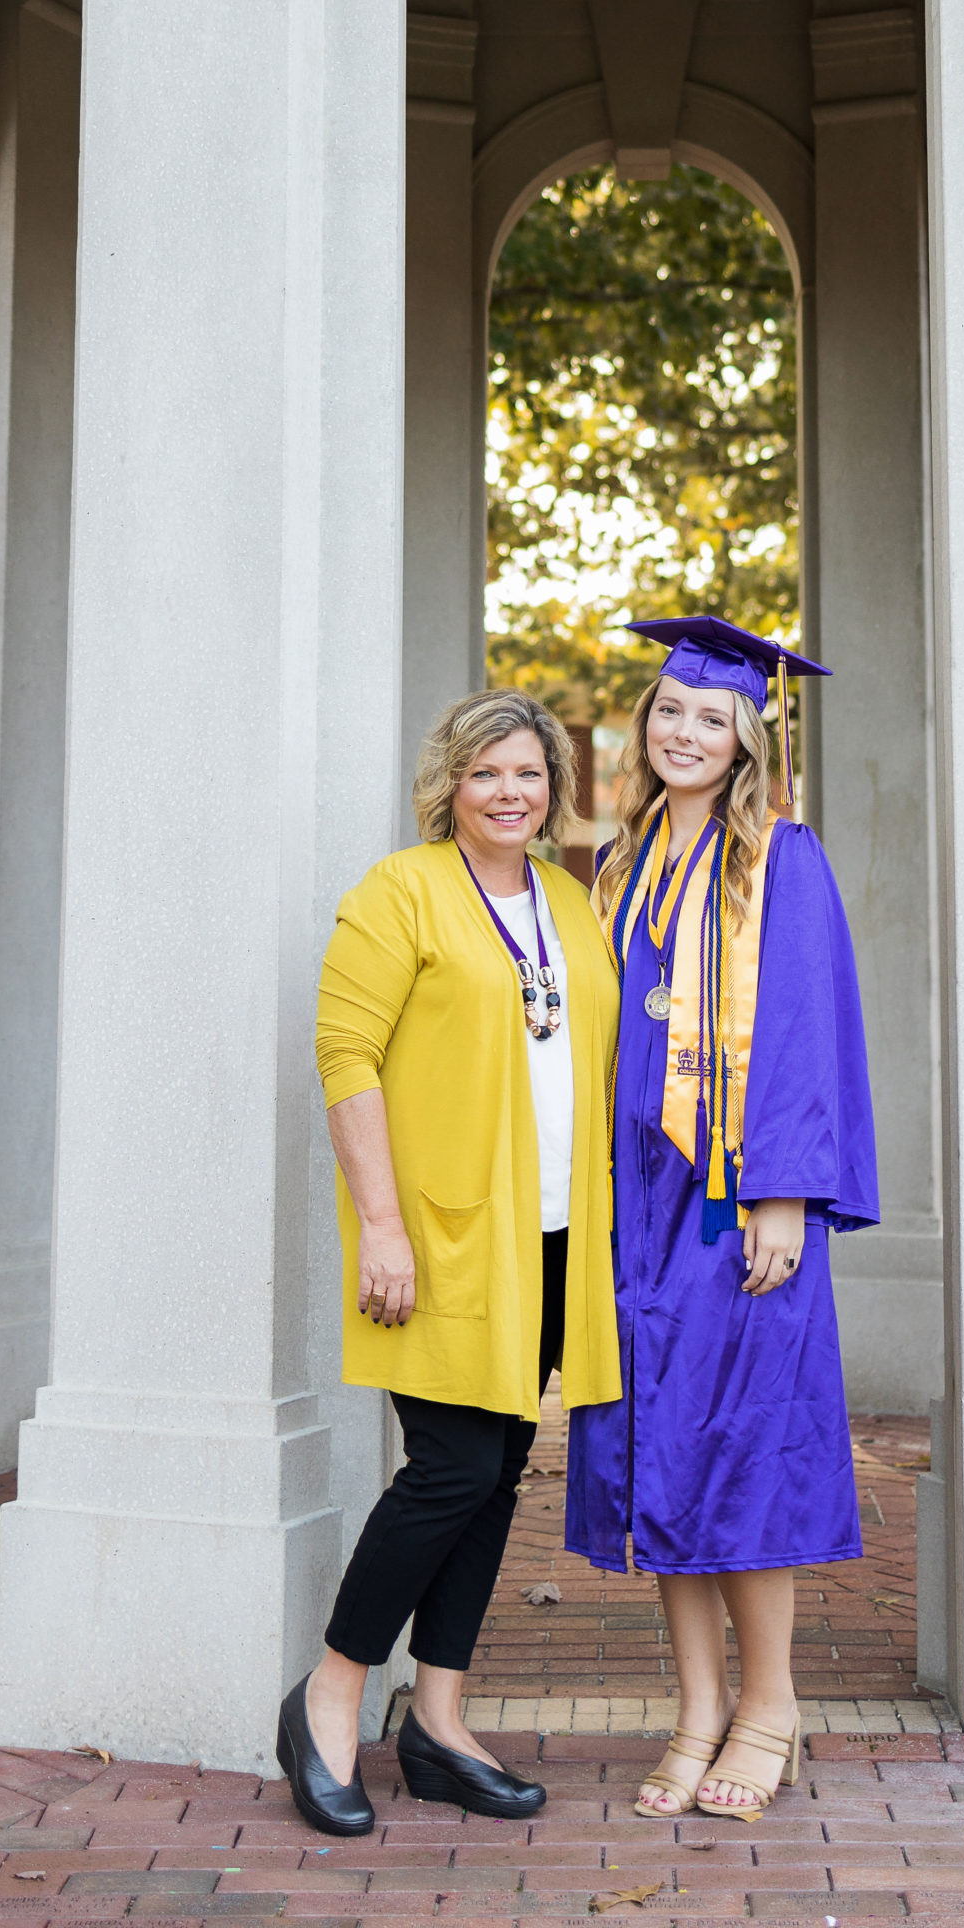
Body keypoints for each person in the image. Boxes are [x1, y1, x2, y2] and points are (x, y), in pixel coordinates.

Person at [278, 690, 622, 1837]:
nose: (509, 792)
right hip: (439, 1233)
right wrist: (381, 1223)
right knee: (452, 1463)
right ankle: (330, 1693)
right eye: (486, 774)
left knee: (501, 1462)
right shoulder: (401, 890)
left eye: (528, 773)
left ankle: (439, 1719)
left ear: (553, 788)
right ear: (449, 785)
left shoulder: (572, 903)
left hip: (554, 1237)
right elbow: (345, 1052)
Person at [566, 616, 878, 1822]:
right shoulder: (621, 862)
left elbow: (804, 1031)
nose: (685, 731)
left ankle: (772, 1706)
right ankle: (696, 1709)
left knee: (744, 1453)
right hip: (631, 1207)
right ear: (645, 727)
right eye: (669, 712)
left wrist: (784, 1194)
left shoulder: (781, 859)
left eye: (712, 717)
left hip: (733, 1200)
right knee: (662, 1453)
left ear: (748, 738)